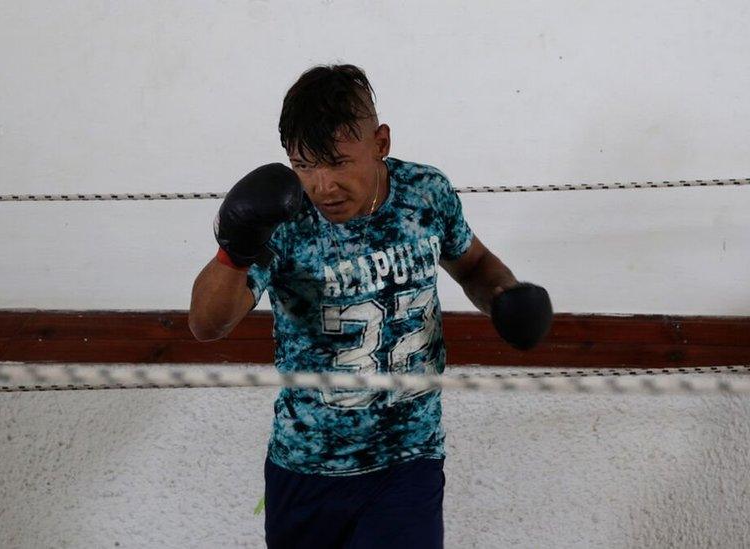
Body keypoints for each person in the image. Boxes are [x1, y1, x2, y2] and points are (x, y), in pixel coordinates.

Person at [189, 64, 552, 549]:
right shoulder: (285, 219)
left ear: (380, 142)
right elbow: (208, 325)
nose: (322, 186)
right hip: (307, 464)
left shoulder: (426, 193)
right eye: (304, 165)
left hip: (410, 457)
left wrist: (505, 297)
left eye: (338, 162)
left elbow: (474, 264)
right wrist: (234, 249)